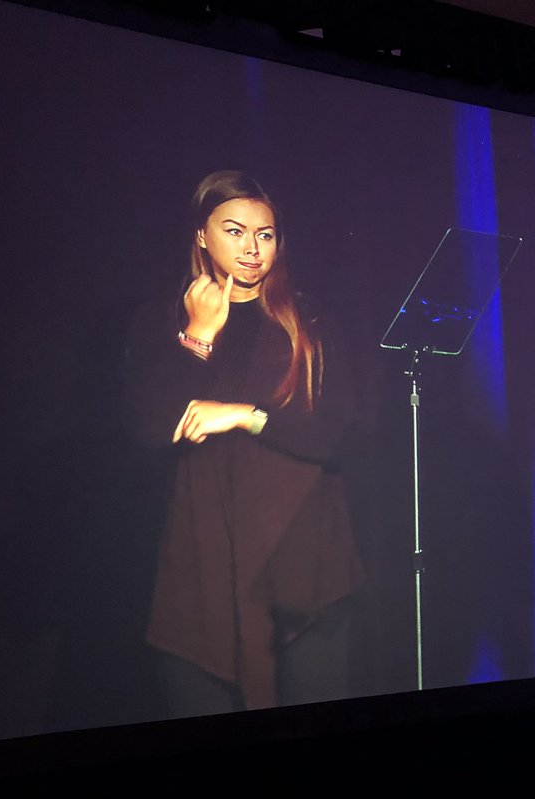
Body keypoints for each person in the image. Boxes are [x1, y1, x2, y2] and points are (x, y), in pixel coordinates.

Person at [125, 170, 364, 716]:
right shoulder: (165, 318)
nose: (253, 249)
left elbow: (342, 433)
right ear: (202, 236)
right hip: (206, 554)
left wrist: (246, 416)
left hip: (302, 556)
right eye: (235, 231)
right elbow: (148, 428)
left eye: (266, 233)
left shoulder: (310, 320)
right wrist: (198, 336)